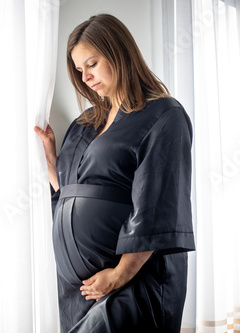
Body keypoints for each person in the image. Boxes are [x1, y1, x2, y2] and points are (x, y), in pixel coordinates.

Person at [34, 14, 195, 333]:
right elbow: (72, 193)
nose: (85, 77)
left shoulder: (164, 116)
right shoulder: (85, 123)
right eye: (80, 70)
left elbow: (158, 205)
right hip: (76, 291)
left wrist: (119, 274)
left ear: (119, 53)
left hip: (131, 283)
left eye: (92, 64)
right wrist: (53, 164)